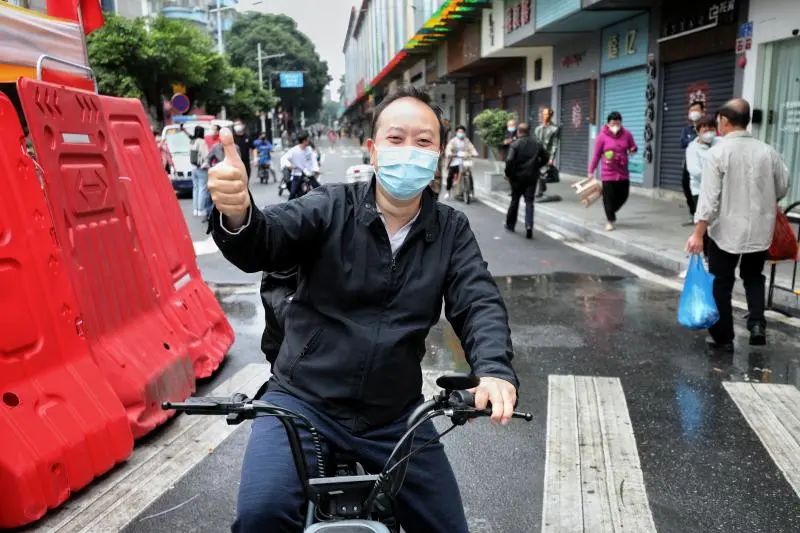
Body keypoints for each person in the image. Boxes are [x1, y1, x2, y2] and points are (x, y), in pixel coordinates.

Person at [207, 86, 519, 532]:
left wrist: (494, 371)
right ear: (373, 149)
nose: (409, 150)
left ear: (438, 154)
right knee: (261, 515)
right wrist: (239, 215)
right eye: (396, 138)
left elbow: (478, 301)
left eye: (423, 141)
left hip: (394, 416)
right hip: (301, 402)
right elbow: (267, 239)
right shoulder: (330, 206)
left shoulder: (451, 229)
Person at [686, 98, 790, 352]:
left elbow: (709, 198)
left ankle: (723, 337)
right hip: (760, 228)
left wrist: (698, 233)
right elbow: (782, 186)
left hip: (726, 229)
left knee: (721, 281)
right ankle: (757, 324)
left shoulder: (718, 153)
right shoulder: (767, 151)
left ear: (724, 121)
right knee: (754, 276)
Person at [588, 111, 638, 232]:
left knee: (623, 196)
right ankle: (610, 221)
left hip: (623, 172)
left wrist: (633, 149)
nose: (615, 126)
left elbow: (633, 147)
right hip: (608, 172)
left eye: (618, 123)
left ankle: (610, 210)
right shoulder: (602, 137)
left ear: (621, 123)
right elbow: (596, 155)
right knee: (608, 198)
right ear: (608, 124)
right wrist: (591, 171)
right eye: (613, 124)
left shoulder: (627, 134)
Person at [504, 122, 546, 239]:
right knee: (529, 202)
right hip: (532, 177)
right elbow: (545, 157)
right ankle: (529, 226)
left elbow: (509, 160)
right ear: (529, 131)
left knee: (515, 200)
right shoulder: (537, 143)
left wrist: (508, 174)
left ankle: (510, 224)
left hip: (517, 177)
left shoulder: (515, 144)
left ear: (518, 131)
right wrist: (537, 166)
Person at [685, 116, 718, 218]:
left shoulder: (720, 143)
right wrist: (716, 176)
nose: (709, 132)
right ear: (698, 131)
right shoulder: (692, 148)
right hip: (700, 191)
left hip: (718, 192)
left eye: (711, 129)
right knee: (704, 220)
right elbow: (695, 171)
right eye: (705, 130)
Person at [681, 101, 705, 223]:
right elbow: (683, 143)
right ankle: (693, 211)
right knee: (686, 185)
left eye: (696, 110)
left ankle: (702, 213)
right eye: (691, 110)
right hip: (689, 162)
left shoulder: (707, 127)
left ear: (702, 112)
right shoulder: (687, 129)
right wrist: (695, 139)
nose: (693, 113)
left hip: (704, 162)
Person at [279, 130, 320, 199]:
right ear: (304, 141)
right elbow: (283, 158)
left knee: (319, 189)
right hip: (297, 174)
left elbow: (314, 160)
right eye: (307, 139)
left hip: (308, 174)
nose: (309, 141)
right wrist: (289, 165)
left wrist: (316, 169)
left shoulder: (309, 149)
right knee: (292, 193)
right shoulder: (294, 151)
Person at [443, 125, 478, 200]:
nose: (461, 133)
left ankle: (471, 191)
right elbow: (448, 148)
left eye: (462, 132)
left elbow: (471, 147)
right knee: (450, 175)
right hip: (455, 160)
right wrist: (449, 153)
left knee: (469, 174)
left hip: (465, 160)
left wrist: (474, 153)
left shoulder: (466, 140)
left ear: (464, 133)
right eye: (459, 132)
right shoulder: (453, 141)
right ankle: (448, 191)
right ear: (456, 132)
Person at [534, 107, 561, 198]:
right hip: (538, 153)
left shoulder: (555, 129)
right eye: (543, 114)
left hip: (547, 154)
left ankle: (540, 191)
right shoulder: (538, 128)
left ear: (551, 115)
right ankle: (542, 188)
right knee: (537, 171)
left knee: (542, 171)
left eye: (547, 114)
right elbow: (536, 142)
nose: (544, 116)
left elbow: (555, 144)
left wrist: (551, 158)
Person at [190, 126, 210, 217]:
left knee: (195, 188)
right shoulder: (202, 142)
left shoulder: (192, 141)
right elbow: (206, 154)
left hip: (193, 167)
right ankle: (201, 209)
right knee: (202, 188)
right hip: (201, 167)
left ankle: (195, 209)